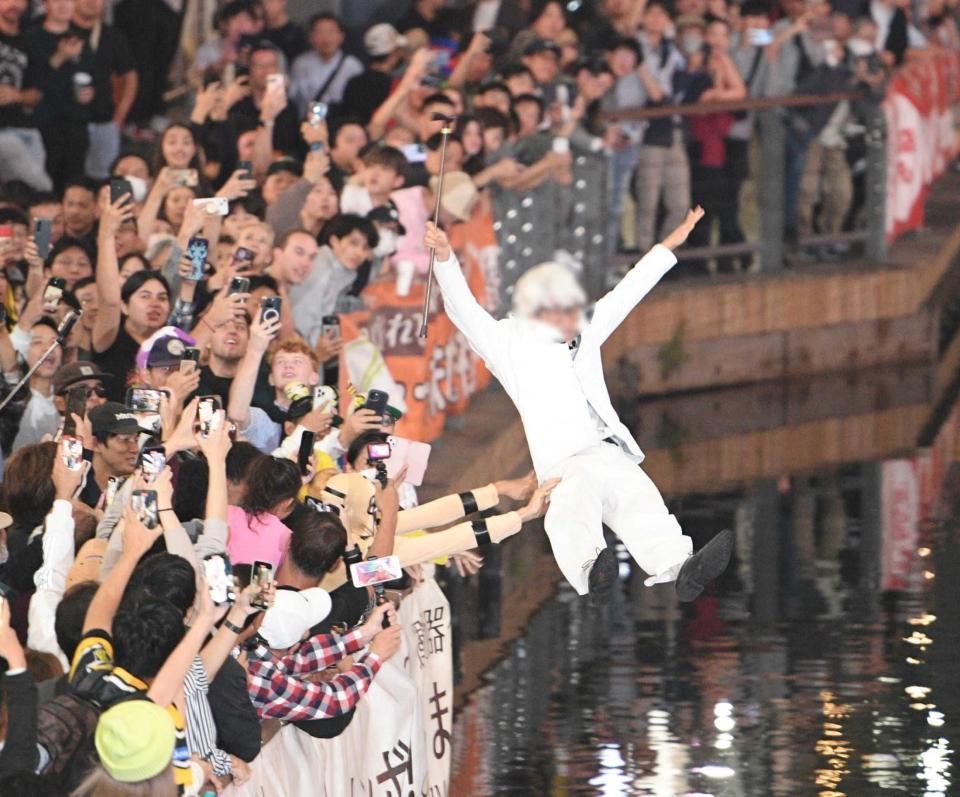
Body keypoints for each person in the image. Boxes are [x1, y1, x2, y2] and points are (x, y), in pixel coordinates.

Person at [425, 210, 735, 599]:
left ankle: (680, 567)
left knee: (639, 496)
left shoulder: (584, 331)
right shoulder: (508, 344)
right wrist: (445, 259)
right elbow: (464, 312)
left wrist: (668, 246)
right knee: (573, 507)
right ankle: (591, 571)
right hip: (562, 461)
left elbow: (626, 293)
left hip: (605, 448)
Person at [290, 13, 363, 116]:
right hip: (309, 122)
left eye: (331, 32)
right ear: (311, 37)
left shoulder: (352, 66)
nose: (326, 38)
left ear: (341, 36)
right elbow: (293, 97)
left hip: (338, 121)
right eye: (320, 32)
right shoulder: (301, 64)